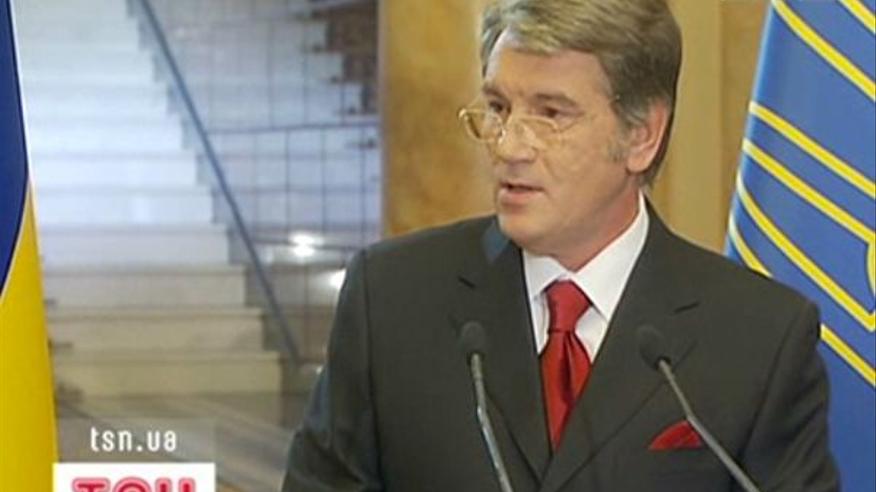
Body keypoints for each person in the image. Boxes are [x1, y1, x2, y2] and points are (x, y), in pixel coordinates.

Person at [282, 0, 838, 490]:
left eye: (551, 114)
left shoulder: (760, 339)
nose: (509, 146)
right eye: (499, 108)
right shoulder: (391, 299)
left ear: (641, 135)